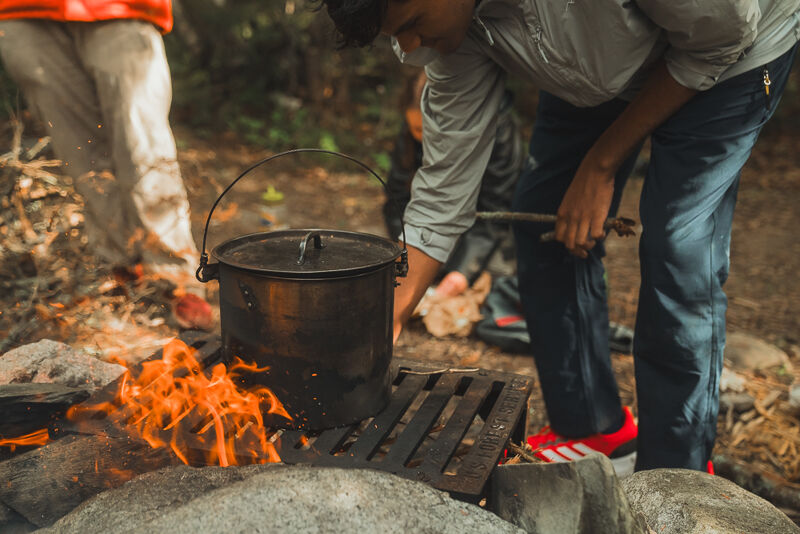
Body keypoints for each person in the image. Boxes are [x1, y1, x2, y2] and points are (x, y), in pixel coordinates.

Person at [318, 0, 800, 472]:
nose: (407, 46)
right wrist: (387, 321)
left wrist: (602, 162)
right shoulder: (451, 32)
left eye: (412, 23)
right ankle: (594, 429)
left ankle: (679, 476)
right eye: (394, 36)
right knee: (546, 220)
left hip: (729, 50)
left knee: (677, 245)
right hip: (603, 65)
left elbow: (723, 33)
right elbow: (441, 198)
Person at [0, 0, 211, 329]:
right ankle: (119, 274)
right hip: (23, 13)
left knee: (142, 147)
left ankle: (174, 278)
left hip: (122, 7)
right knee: (82, 158)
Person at [384, 70, 522, 298]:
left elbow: (497, 208)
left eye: (429, 133)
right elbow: (396, 199)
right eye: (417, 130)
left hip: (484, 231)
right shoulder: (411, 129)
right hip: (433, 229)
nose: (422, 140)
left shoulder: (499, 130)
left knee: (494, 286)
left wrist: (462, 271)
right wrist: (410, 259)